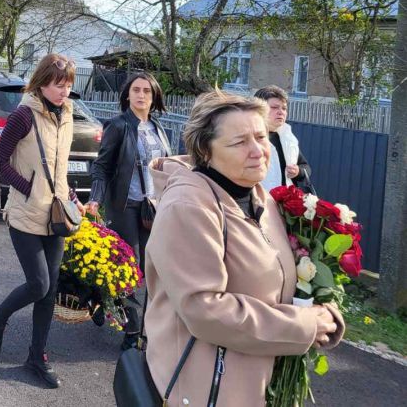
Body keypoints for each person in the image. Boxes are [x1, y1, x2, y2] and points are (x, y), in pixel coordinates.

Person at [144, 91, 344, 406]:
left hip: (254, 384)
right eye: (239, 142)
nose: (258, 151)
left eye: (261, 137)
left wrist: (321, 306)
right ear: (205, 150)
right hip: (205, 390)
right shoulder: (188, 206)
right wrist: (304, 326)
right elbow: (204, 309)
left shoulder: (260, 200)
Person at [0, 53, 85, 388]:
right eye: (58, 85)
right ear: (41, 83)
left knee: (49, 290)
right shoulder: (23, 115)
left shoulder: (66, 115)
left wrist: (70, 195)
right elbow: (0, 161)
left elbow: (59, 166)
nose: (64, 91)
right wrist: (29, 188)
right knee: (38, 283)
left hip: (56, 215)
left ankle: (37, 356)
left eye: (68, 85)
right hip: (25, 214)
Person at [88, 71, 172, 349]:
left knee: (149, 269)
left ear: (154, 97)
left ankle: (101, 297)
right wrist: (95, 199)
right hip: (124, 205)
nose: (141, 95)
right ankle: (133, 332)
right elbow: (101, 166)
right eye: (136, 90)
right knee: (129, 269)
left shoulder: (158, 127)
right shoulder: (118, 125)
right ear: (127, 95)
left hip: (152, 207)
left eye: (147, 91)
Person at [254, 85, 313, 193]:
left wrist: (298, 171)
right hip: (259, 199)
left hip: (286, 200)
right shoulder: (249, 138)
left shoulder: (287, 137)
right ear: (258, 109)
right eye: (274, 107)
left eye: (284, 108)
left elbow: (305, 167)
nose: (281, 112)